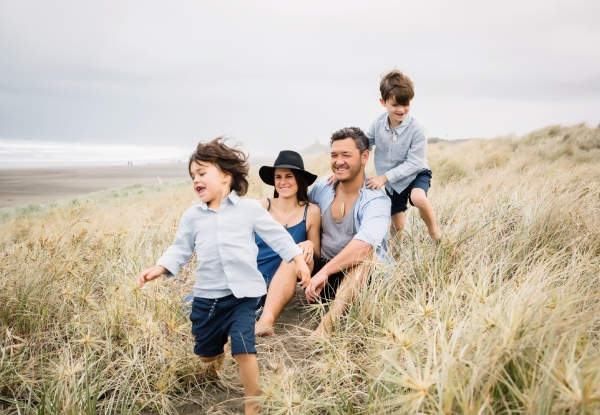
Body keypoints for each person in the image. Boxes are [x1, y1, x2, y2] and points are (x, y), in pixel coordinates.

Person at [138, 137, 311, 415]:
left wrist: (297, 259)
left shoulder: (250, 209)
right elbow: (180, 248)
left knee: (244, 349)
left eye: (202, 172)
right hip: (207, 298)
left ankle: (253, 403)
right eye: (193, 175)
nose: (196, 179)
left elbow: (277, 236)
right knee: (206, 355)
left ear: (226, 176)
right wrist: (161, 267)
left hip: (243, 296)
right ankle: (215, 350)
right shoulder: (192, 216)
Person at [305, 127, 391, 337]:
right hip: (324, 276)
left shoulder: (376, 200)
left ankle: (328, 325)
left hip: (363, 281)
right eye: (334, 155)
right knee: (298, 251)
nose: (338, 161)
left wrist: (325, 272)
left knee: (365, 259)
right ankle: (265, 314)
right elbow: (299, 213)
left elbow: (363, 246)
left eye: (346, 155)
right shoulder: (322, 187)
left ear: (364, 157)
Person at [365, 69, 441, 242]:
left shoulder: (418, 129)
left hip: (415, 173)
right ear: (383, 102)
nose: (401, 110)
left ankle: (435, 234)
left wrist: (384, 177)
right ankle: (397, 255)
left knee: (418, 197)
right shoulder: (377, 124)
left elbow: (414, 163)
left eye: (405, 104)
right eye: (395, 105)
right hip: (393, 183)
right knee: (397, 225)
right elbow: (365, 146)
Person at [254, 150, 321, 336]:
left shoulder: (311, 212)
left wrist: (309, 243)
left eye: (289, 176)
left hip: (281, 283)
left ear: (299, 179)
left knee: (297, 253)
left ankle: (265, 322)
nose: (282, 182)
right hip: (252, 276)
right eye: (278, 177)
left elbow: (316, 258)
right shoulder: (261, 207)